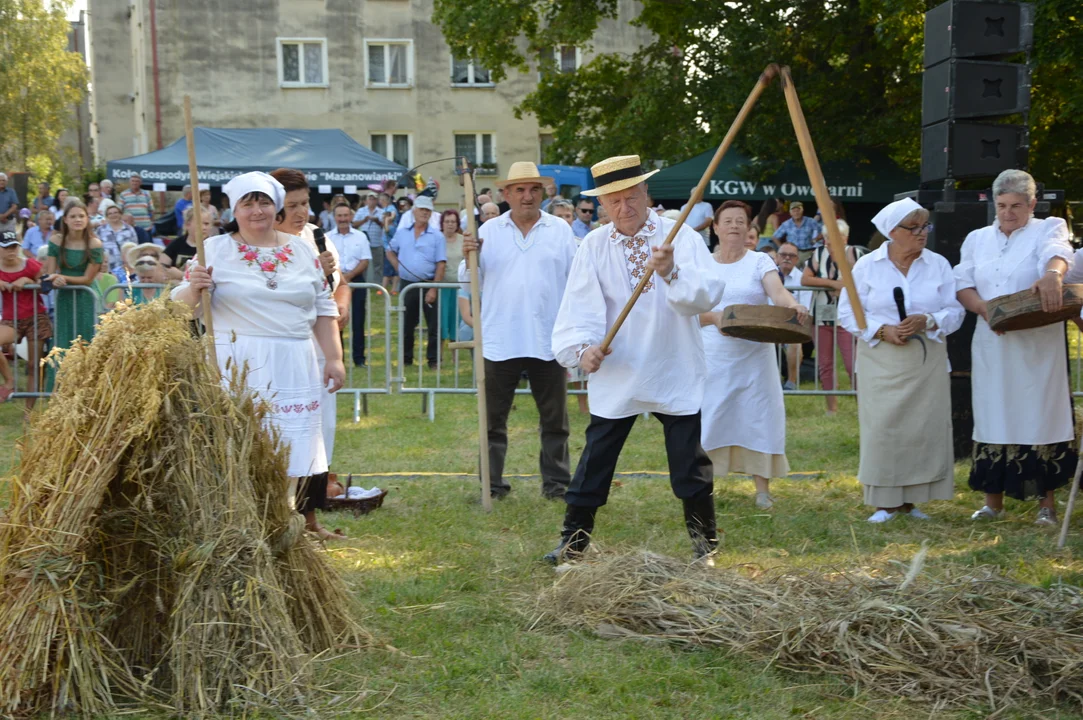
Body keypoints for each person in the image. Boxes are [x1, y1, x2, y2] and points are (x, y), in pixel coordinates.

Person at [547, 155, 726, 564]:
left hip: (673, 364)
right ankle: (572, 544)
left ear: (647, 193)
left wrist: (672, 271)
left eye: (631, 197)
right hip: (619, 370)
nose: (623, 208)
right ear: (602, 204)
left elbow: (707, 294)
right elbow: (579, 308)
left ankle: (705, 549)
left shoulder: (679, 235)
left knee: (689, 464)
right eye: (613, 201)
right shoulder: (593, 245)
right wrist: (584, 349)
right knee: (595, 459)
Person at [172, 171, 346, 538]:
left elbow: (323, 307)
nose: (257, 210)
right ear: (233, 208)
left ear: (276, 205)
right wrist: (194, 288)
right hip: (239, 361)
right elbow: (181, 309)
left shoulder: (301, 248)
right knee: (242, 447)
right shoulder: (214, 249)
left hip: (295, 360)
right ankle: (239, 526)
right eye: (247, 203)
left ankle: (286, 523)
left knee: (292, 448)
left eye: (264, 201)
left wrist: (334, 358)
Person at [954, 169, 1075, 527]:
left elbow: (1058, 252)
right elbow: (963, 283)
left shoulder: (1047, 227)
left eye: (1017, 206)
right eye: (1002, 205)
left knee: (1039, 415)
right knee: (994, 413)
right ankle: (993, 503)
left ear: (1032, 204)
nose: (1008, 213)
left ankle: (1046, 505)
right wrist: (984, 309)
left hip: (1037, 343)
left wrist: (1053, 274)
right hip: (992, 340)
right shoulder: (977, 238)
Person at [839, 197, 964, 523]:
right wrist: (881, 331)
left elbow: (955, 312)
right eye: (914, 228)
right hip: (881, 359)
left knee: (922, 429)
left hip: (926, 360)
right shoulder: (867, 266)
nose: (922, 233)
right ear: (893, 232)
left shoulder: (938, 264)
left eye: (926, 226)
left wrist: (929, 319)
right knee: (883, 428)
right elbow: (847, 312)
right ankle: (885, 503)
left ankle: (912, 501)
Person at [461, 162, 579, 501]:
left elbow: (576, 283)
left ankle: (557, 486)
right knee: (492, 422)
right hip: (500, 339)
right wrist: (471, 255)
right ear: (505, 194)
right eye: (520, 190)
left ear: (543, 193)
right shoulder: (485, 232)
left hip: (549, 339)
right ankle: (492, 486)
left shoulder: (560, 230)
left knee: (556, 422)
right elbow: (469, 280)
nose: (527, 197)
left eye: (534, 189)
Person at [698, 201, 809, 510]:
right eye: (727, 220)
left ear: (749, 229)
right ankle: (702, 487)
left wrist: (793, 305)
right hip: (714, 357)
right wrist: (716, 318)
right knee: (711, 418)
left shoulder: (761, 261)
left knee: (758, 417)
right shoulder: (702, 264)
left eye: (740, 221)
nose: (734, 225)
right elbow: (690, 312)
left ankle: (762, 490)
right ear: (715, 227)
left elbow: (778, 293)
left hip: (755, 357)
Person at [269, 167, 351, 541]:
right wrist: (312, 273)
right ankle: (277, 515)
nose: (302, 212)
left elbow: (341, 283)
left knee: (319, 432)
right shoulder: (265, 244)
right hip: (281, 349)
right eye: (293, 205)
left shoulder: (317, 236)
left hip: (320, 348)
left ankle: (311, 518)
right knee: (281, 432)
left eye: (305, 203)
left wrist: (341, 303)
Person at [802, 219, 866, 414]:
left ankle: (863, 406)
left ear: (844, 237)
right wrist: (832, 284)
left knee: (852, 363)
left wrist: (846, 286)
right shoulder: (818, 253)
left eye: (834, 236)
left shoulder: (856, 254)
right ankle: (832, 409)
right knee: (825, 364)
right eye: (827, 236)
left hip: (847, 319)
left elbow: (863, 281)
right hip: (822, 317)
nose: (829, 240)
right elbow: (805, 279)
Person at [42, 199, 104, 382]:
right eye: (73, 216)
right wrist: (55, 278)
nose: (78, 219)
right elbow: (50, 274)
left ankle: (87, 387)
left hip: (86, 296)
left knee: (86, 339)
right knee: (63, 339)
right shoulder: (56, 241)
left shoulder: (94, 243)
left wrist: (64, 278)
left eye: (81, 216)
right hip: (64, 297)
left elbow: (88, 278)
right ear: (66, 220)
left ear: (87, 219)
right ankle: (59, 389)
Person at [388, 195, 446, 369]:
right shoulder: (402, 232)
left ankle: (433, 360)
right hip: (408, 283)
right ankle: (406, 359)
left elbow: (441, 263)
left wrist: (434, 288)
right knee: (407, 324)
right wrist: (399, 267)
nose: (424, 213)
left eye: (427, 210)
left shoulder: (437, 236)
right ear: (414, 211)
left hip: (429, 282)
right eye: (421, 209)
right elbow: (390, 251)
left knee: (434, 325)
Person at [0, 230, 51, 407]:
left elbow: (46, 286)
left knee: (33, 366)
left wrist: (26, 279)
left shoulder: (31, 265)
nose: (11, 251)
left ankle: (28, 413)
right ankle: (9, 381)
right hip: (10, 319)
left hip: (36, 317)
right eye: (6, 247)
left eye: (14, 246)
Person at [328, 201, 371, 366]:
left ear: (351, 216)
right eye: (339, 215)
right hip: (335, 282)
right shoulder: (327, 237)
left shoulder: (361, 236)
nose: (343, 219)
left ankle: (359, 359)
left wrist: (349, 276)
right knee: (336, 321)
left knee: (358, 321)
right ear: (335, 217)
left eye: (346, 215)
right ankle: (339, 358)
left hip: (357, 279)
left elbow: (365, 260)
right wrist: (341, 278)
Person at [775, 240, 811, 392]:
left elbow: (805, 309)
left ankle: (791, 382)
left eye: (791, 255)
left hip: (794, 324)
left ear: (797, 259)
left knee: (795, 344)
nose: (787, 258)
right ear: (777, 257)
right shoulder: (767, 276)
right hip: (769, 322)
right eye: (783, 254)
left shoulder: (802, 280)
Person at [162, 205, 214, 281]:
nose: (203, 228)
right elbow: (162, 266)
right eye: (199, 223)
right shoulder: (176, 244)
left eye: (206, 224)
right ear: (187, 225)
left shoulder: (214, 246)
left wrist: (181, 275)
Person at [439, 209, 465, 344]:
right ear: (442, 223)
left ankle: (456, 357)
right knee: (442, 321)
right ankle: (439, 356)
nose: (450, 224)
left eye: (453, 222)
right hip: (442, 287)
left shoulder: (463, 240)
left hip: (459, 287)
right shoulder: (437, 239)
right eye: (447, 221)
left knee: (456, 320)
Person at [97, 203, 140, 279]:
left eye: (115, 212)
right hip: (108, 268)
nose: (113, 215)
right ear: (107, 216)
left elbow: (135, 248)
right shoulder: (100, 230)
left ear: (120, 214)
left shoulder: (129, 229)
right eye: (110, 213)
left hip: (127, 268)